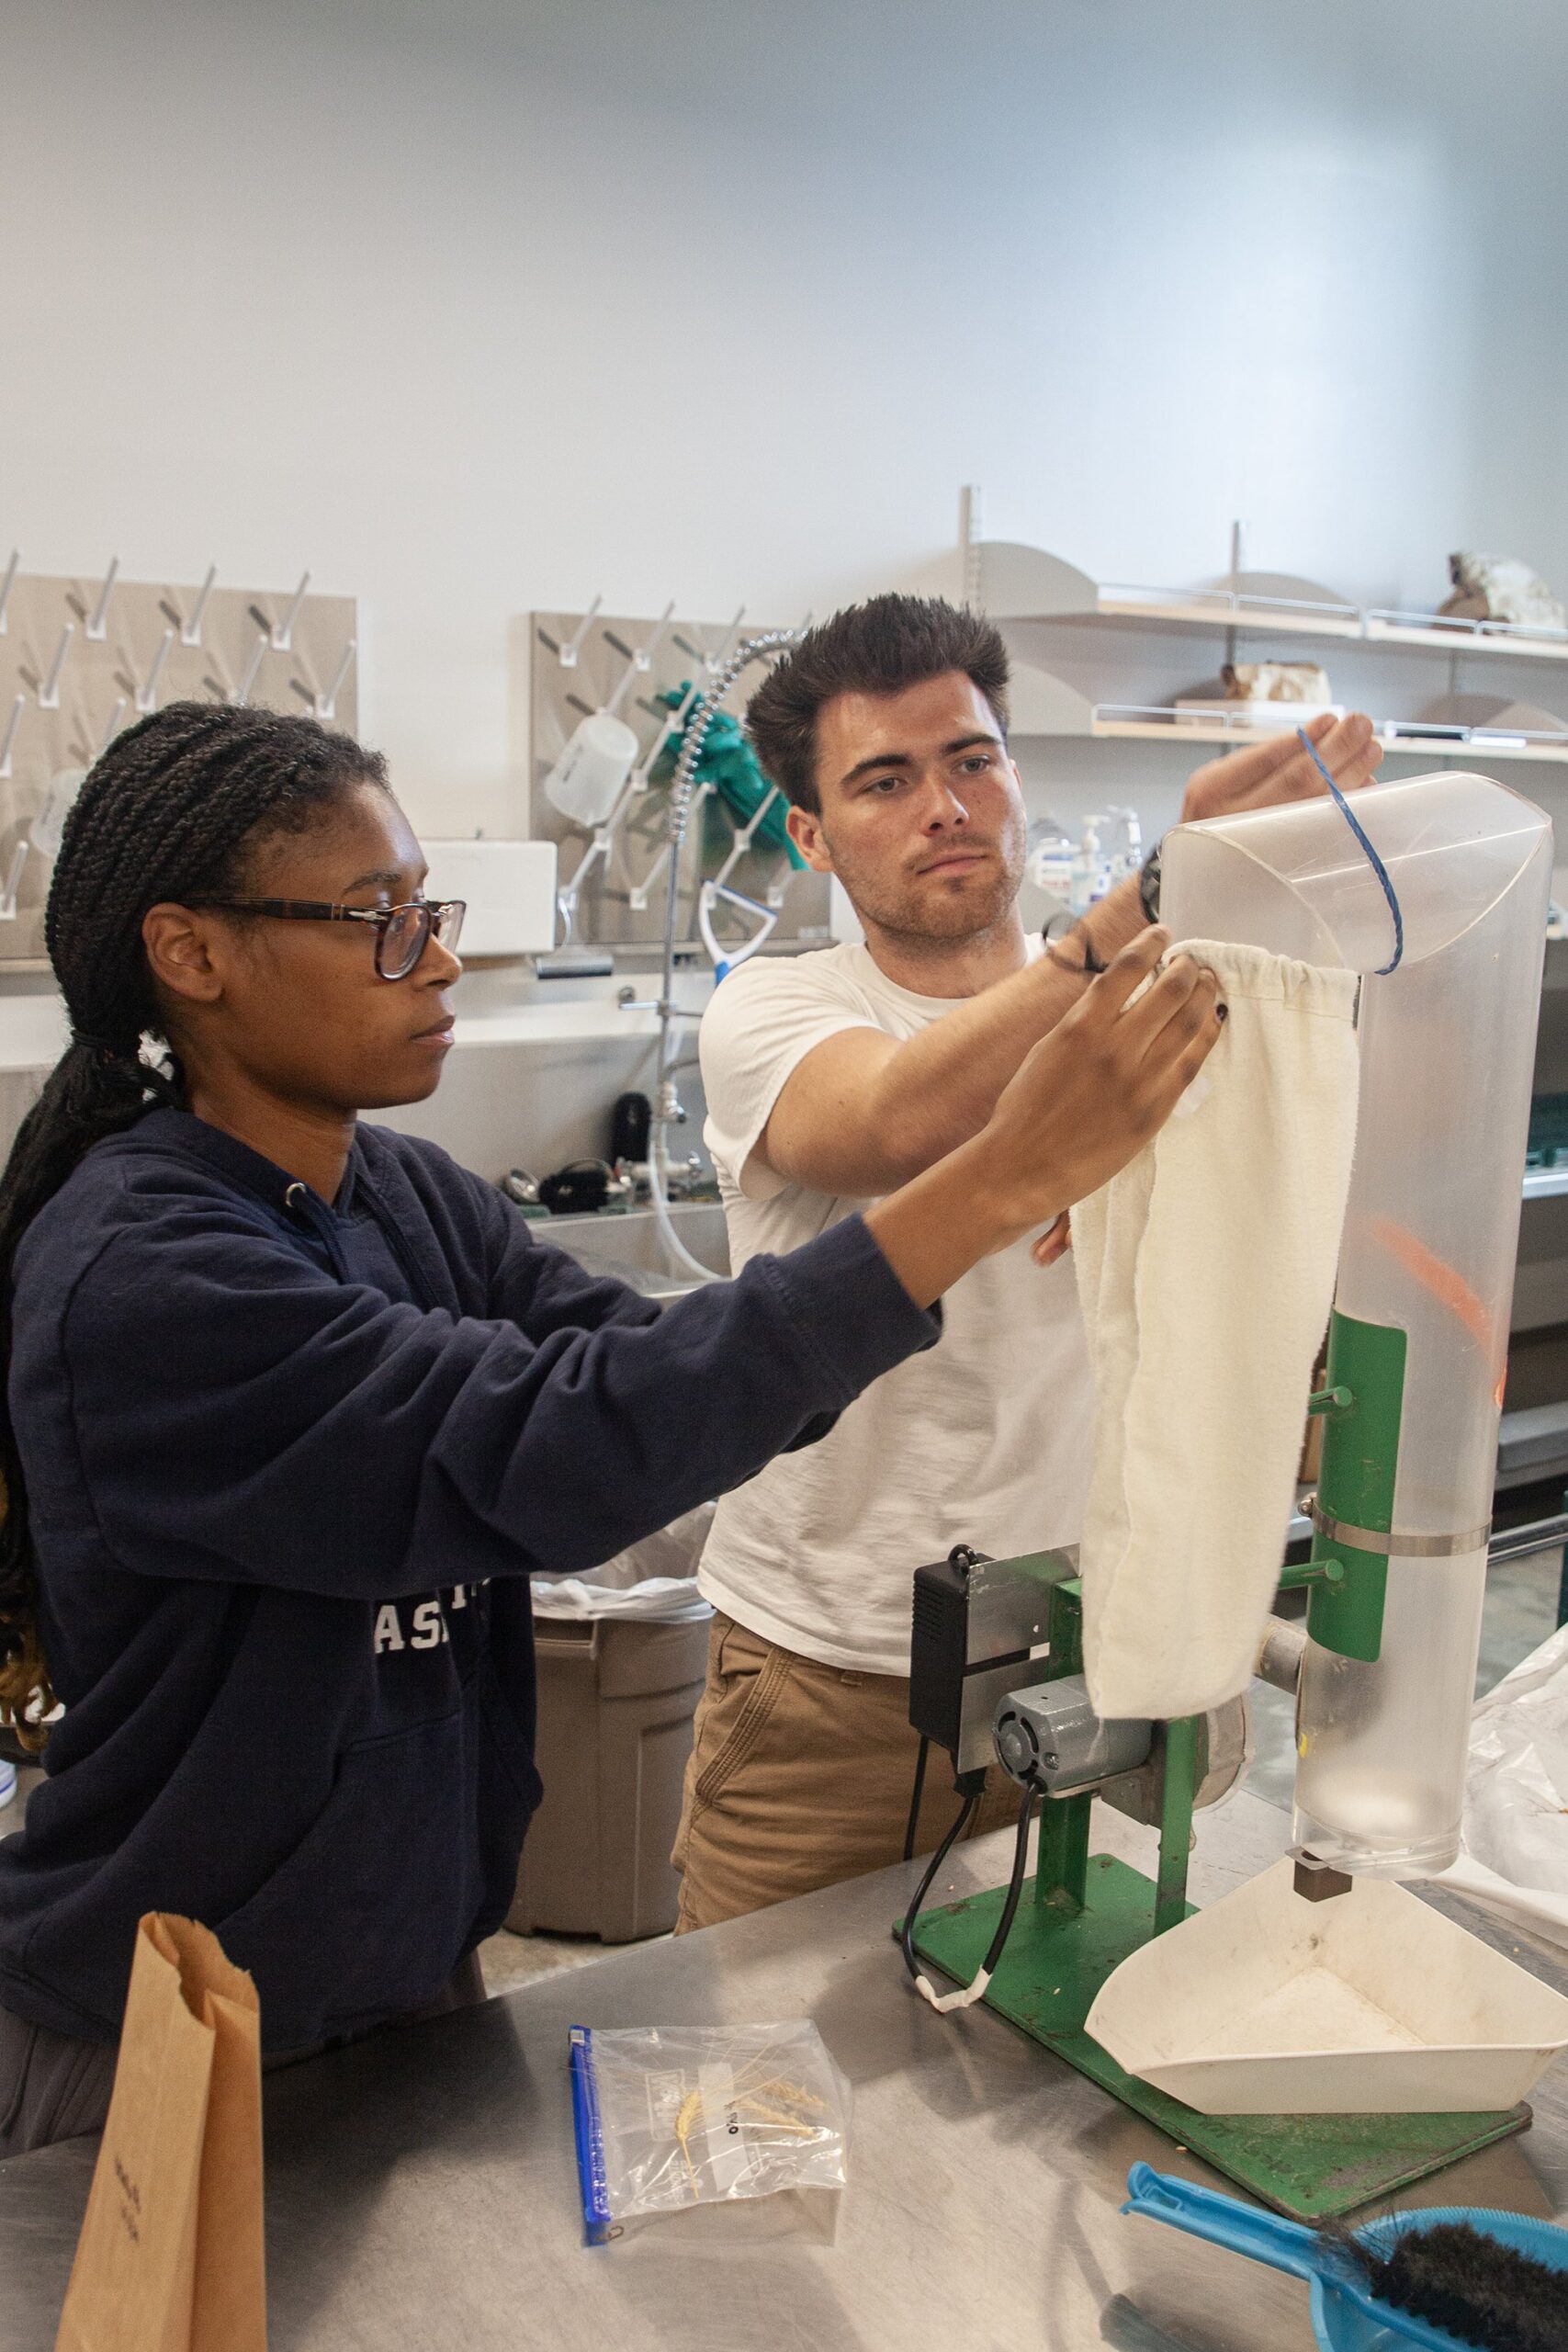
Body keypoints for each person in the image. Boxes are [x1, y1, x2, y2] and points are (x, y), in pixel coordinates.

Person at [0, 699, 1219, 2154]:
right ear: (189, 953)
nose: (440, 958)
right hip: (165, 2023)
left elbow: (640, 1373)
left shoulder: (401, 1194)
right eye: (380, 921)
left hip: (391, 1978)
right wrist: (995, 1180)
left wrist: (926, 1245)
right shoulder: (147, 1280)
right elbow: (557, 1447)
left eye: (427, 909)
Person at [675, 594, 1382, 1931]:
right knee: (754, 2071)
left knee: (1034, 2064)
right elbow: (898, 1119)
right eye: (885, 780)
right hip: (828, 1680)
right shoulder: (775, 1009)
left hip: (1074, 1643)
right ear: (815, 835)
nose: (944, 804)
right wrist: (1155, 899)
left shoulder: (1146, 990)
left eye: (972, 761)